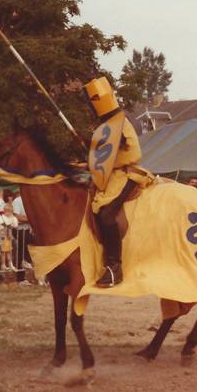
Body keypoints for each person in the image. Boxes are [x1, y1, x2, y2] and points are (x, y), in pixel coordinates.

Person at [81, 76, 154, 287]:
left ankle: (115, 267)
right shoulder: (105, 127)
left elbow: (132, 153)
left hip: (125, 175)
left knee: (107, 214)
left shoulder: (122, 123)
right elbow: (100, 157)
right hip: (108, 178)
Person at [0, 203, 19, 272]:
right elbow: (3, 224)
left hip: (9, 236)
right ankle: (3, 264)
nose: (7, 213)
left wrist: (11, 225)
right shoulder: (2, 217)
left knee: (9, 251)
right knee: (3, 252)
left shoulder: (13, 218)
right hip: (3, 236)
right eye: (6, 211)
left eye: (9, 212)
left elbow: (15, 225)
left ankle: (10, 264)